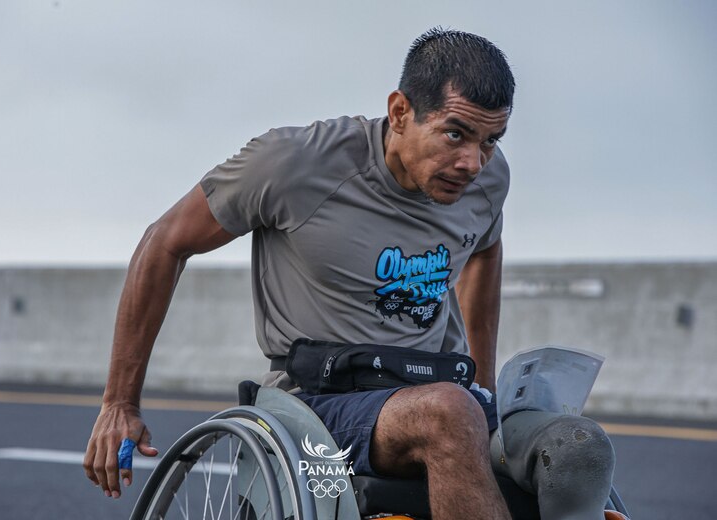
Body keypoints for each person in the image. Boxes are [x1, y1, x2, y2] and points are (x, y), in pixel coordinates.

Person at [85, 28, 619, 519]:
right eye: (455, 134)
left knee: (580, 447)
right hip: (319, 404)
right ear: (401, 110)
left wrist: (483, 377)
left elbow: (484, 249)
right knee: (451, 414)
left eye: (491, 140)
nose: (473, 163)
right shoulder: (296, 164)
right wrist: (119, 404)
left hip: (440, 388)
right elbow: (164, 242)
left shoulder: (485, 181)